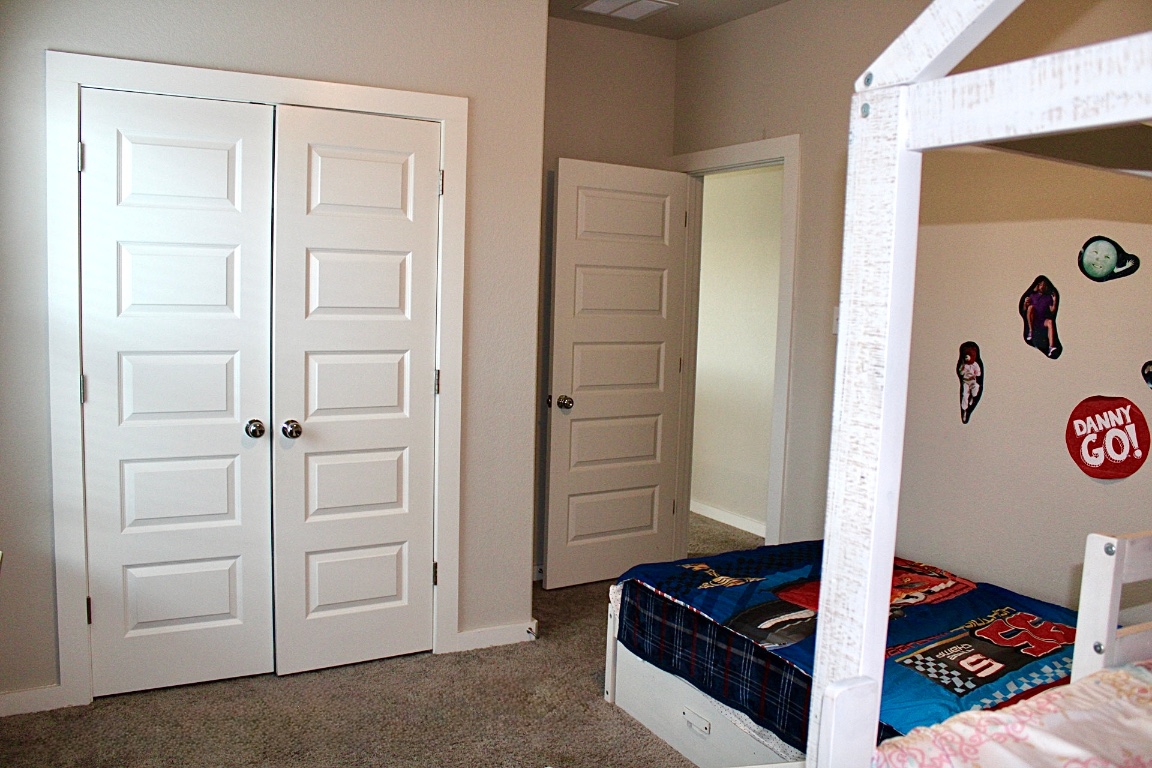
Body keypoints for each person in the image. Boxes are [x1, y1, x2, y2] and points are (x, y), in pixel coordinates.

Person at [1021, 276, 1060, 358]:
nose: (1043, 286)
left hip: (1042, 320)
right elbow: (1025, 310)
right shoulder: (1033, 296)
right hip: (1034, 319)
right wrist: (1025, 303)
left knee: (1050, 322)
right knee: (1031, 308)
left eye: (1045, 285)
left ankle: (1051, 346)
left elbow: (1052, 311)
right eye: (1042, 285)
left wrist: (1055, 301)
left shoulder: (1048, 298)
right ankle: (1031, 331)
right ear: (1038, 286)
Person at [957, 343, 982, 424]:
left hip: (973, 381)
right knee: (965, 394)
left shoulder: (975, 365)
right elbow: (961, 372)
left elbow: (978, 373)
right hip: (965, 381)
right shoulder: (963, 365)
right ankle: (964, 409)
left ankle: (972, 398)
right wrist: (963, 368)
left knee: (975, 388)